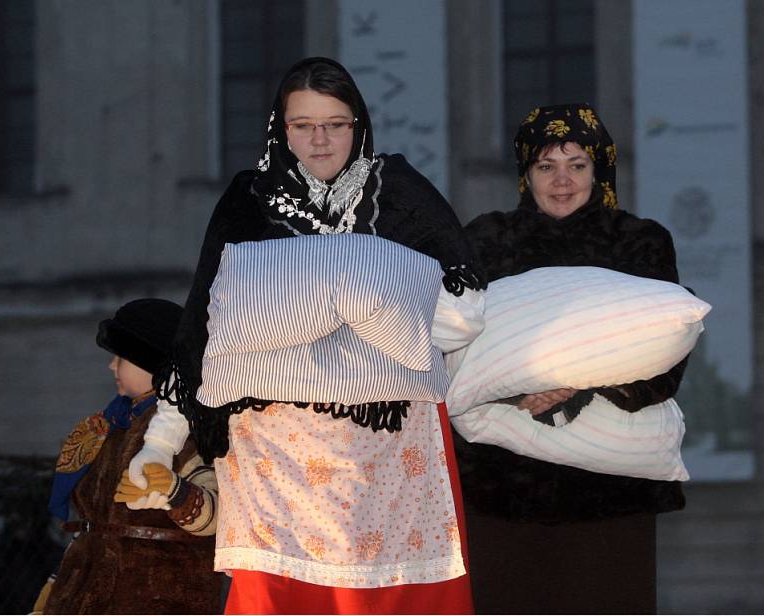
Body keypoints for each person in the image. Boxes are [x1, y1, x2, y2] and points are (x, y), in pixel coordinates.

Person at [128, 57, 486, 615]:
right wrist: (160, 443)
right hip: (275, 458)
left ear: (358, 124)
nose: (320, 139)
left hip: (389, 456)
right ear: (281, 127)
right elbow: (204, 333)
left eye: (335, 123)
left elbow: (463, 314)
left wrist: (370, 303)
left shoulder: (400, 195)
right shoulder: (248, 204)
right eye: (303, 124)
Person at [455, 103, 689, 614]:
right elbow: (455, 342)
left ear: (600, 168)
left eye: (577, 165)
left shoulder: (639, 244)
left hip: (608, 496)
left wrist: (573, 384)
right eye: (546, 166)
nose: (562, 182)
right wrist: (519, 387)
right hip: (502, 489)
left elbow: (665, 357)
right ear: (525, 173)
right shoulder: (487, 241)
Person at [35, 298, 223, 614]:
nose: (112, 365)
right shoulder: (107, 427)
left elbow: (219, 517)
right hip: (86, 593)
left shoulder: (187, 429)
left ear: (152, 365)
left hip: (161, 594)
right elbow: (92, 526)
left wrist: (174, 492)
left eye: (120, 356)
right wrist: (56, 584)